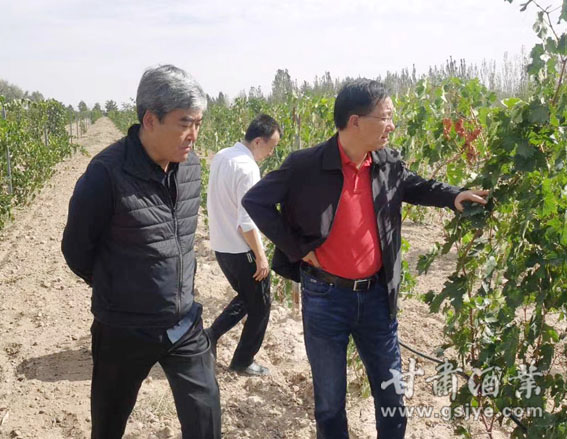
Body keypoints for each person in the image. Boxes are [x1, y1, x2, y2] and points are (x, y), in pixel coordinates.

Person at [242, 79, 488, 439]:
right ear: (355, 121)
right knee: (330, 403)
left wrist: (454, 196)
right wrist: (298, 248)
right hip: (325, 298)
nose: (392, 125)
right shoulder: (306, 165)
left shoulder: (387, 162)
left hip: (376, 297)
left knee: (392, 397)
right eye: (385, 117)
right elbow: (255, 201)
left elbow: (417, 186)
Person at [61, 64, 221, 439]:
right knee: (109, 423)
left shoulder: (191, 167)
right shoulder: (106, 173)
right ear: (150, 120)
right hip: (124, 327)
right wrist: (119, 286)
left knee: (206, 416)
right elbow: (76, 249)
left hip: (183, 321)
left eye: (198, 123)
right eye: (185, 123)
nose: (194, 135)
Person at [206, 114, 281, 376]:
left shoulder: (223, 156)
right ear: (258, 141)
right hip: (241, 249)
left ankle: (210, 337)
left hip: (221, 245)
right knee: (261, 305)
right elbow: (246, 222)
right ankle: (242, 360)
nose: (271, 153)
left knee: (249, 299)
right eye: (271, 147)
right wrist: (260, 256)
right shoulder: (248, 168)